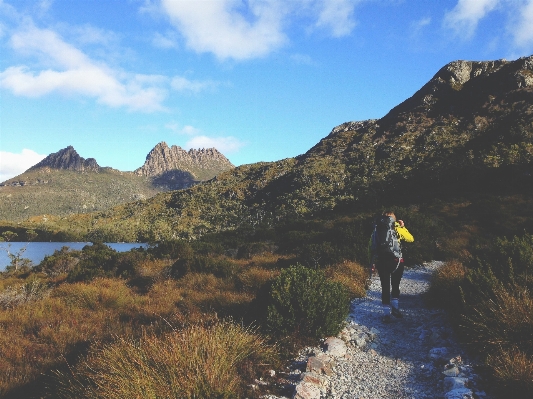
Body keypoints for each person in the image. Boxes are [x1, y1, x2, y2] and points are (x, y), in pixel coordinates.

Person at [369, 211, 414, 323]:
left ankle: (386, 314)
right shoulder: (397, 228)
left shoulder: (376, 230)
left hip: (382, 261)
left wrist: (371, 263)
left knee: (385, 287)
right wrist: (402, 227)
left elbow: (371, 246)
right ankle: (395, 308)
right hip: (397, 261)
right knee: (395, 285)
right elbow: (410, 239)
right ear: (394, 219)